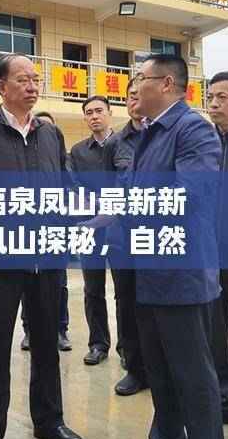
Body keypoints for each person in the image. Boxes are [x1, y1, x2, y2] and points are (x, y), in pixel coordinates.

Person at [0, 53, 85, 439]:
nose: (32, 86)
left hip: (46, 258)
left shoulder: (51, 135)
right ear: (2, 87)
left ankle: (49, 421)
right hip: (0, 260)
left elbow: (64, 188)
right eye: (23, 79)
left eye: (36, 79)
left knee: (46, 342)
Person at [121, 54, 224, 439]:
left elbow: (191, 194)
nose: (134, 86)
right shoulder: (150, 132)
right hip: (150, 272)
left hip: (182, 276)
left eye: (140, 77)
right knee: (160, 369)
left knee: (193, 377)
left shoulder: (193, 129)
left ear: (166, 84)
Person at [102, 83, 148, 396]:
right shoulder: (115, 143)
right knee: (126, 302)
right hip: (122, 239)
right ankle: (134, 368)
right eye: (131, 96)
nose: (136, 101)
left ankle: (159, 366)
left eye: (141, 95)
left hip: (158, 237)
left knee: (157, 304)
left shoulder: (166, 137)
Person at [69, 96, 123, 366]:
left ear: (110, 113)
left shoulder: (125, 145)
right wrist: (99, 203)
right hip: (89, 228)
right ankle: (98, 344)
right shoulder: (78, 151)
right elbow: (74, 186)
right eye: (89, 112)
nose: (94, 116)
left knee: (124, 291)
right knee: (93, 289)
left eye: (99, 111)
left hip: (121, 229)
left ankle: (127, 348)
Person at [20, 110, 71, 352]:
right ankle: (29, 331)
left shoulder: (57, 151)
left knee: (58, 285)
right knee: (27, 282)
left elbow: (67, 185)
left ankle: (60, 330)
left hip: (54, 229)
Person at [207, 70, 228, 424]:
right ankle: (223, 390)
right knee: (214, 324)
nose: (213, 104)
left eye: (222, 97)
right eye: (210, 97)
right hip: (213, 254)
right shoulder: (207, 145)